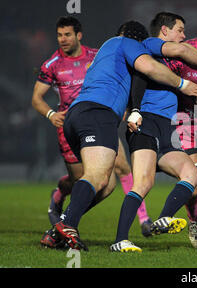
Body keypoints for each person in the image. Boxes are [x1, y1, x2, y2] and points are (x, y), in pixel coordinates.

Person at [52, 20, 197, 251]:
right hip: (97, 113)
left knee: (107, 184)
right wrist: (184, 83)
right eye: (180, 30)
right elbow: (149, 68)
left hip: (82, 115)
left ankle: (58, 231)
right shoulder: (128, 43)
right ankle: (69, 225)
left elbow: (133, 83)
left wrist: (133, 109)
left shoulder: (105, 52)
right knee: (97, 175)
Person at [33, 17, 152, 244]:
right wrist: (50, 114)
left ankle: (61, 228)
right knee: (88, 178)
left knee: (107, 183)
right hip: (91, 116)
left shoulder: (100, 54)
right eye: (59, 35)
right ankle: (66, 216)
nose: (62, 39)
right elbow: (36, 98)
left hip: (90, 118)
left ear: (79, 35)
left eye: (67, 34)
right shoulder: (53, 64)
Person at [110, 16, 197, 253]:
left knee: (192, 176)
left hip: (168, 126)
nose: (183, 36)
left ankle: (164, 218)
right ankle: (119, 240)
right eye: (180, 30)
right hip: (147, 122)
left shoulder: (164, 59)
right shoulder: (151, 44)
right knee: (143, 183)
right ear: (164, 31)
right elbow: (181, 49)